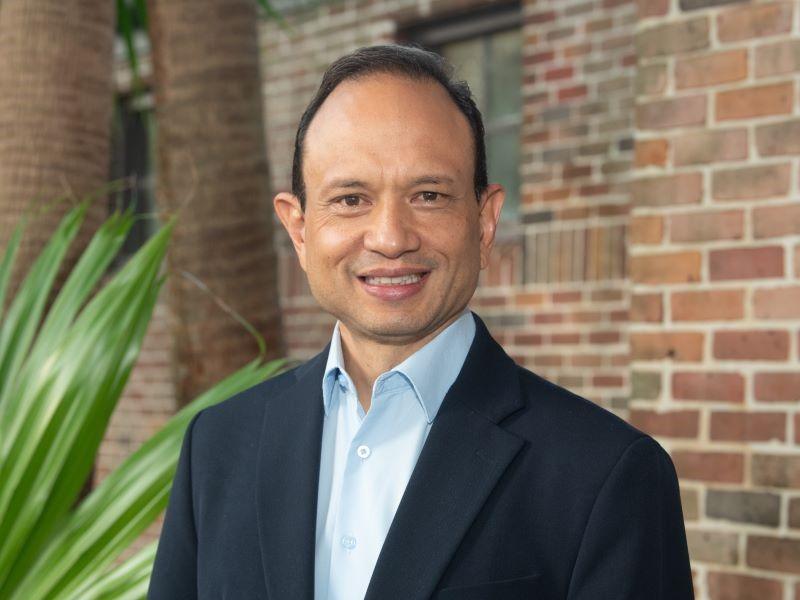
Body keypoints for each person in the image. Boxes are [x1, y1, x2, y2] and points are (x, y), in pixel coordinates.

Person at [148, 44, 694, 600]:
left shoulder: (606, 476)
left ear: (484, 223)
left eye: (428, 195)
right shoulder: (217, 447)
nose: (390, 237)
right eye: (351, 198)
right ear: (299, 229)